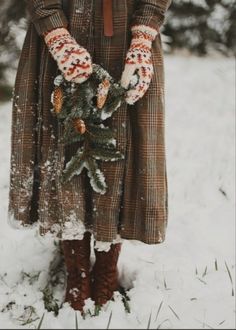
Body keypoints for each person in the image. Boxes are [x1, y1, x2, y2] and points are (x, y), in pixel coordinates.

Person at [8, 0, 171, 312]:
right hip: (65, 23)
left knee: (119, 148)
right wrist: (55, 30)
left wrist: (143, 33)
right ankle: (76, 271)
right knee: (65, 146)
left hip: (127, 33)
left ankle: (106, 269)